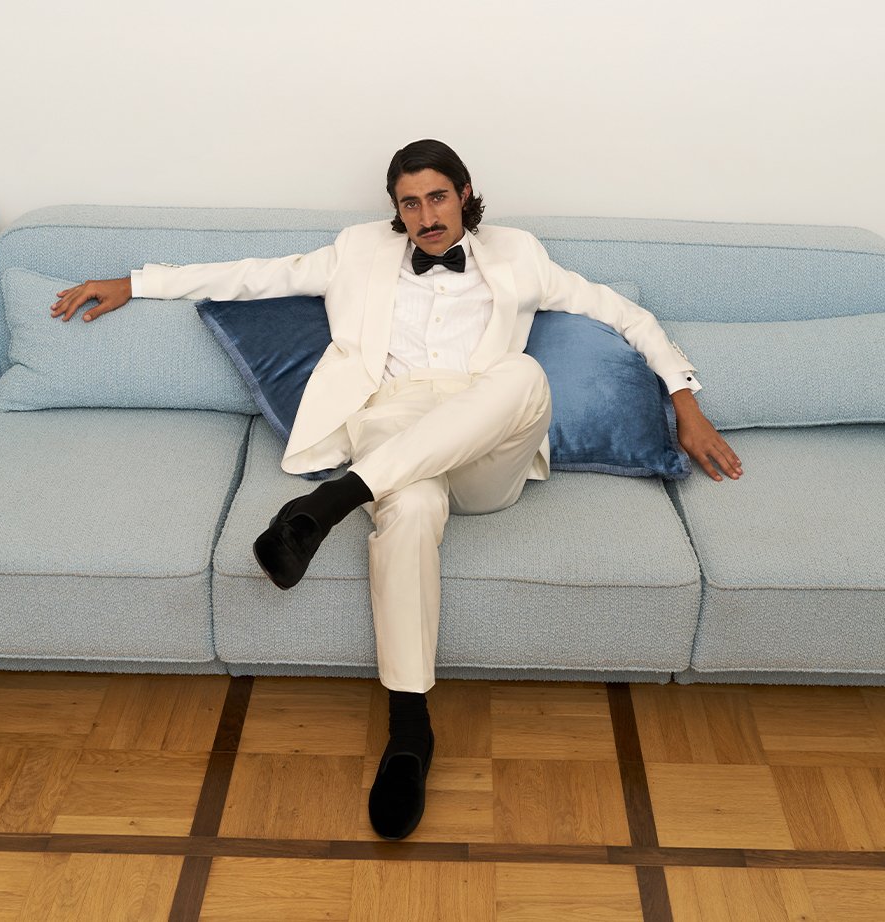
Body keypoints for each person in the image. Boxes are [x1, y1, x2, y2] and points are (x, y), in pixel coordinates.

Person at [49, 139, 741, 840]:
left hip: (487, 437)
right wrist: (137, 283)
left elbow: (624, 313)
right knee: (408, 505)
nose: (426, 215)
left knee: (525, 377)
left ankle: (330, 503)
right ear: (396, 210)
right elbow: (257, 276)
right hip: (392, 420)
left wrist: (684, 403)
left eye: (438, 197)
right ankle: (409, 734)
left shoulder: (520, 254)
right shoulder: (357, 251)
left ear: (466, 192)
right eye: (410, 203)